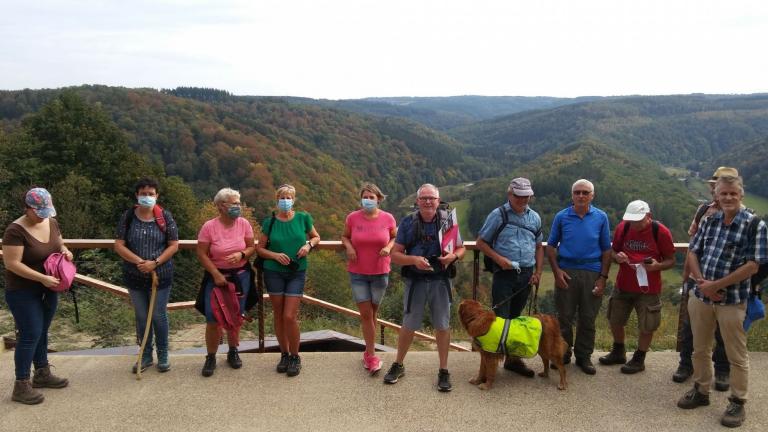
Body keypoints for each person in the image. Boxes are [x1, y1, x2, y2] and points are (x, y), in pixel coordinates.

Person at [677, 175, 767, 428]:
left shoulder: (754, 224)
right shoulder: (710, 220)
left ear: (741, 195)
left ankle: (738, 402)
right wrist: (701, 282)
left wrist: (715, 287)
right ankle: (701, 390)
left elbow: (753, 265)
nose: (727, 198)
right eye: (723, 193)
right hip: (702, 296)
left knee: (736, 355)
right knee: (699, 348)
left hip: (733, 300)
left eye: (732, 194)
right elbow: (694, 251)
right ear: (716, 195)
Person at [383, 184, 465, 392]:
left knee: (442, 325)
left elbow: (461, 248)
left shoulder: (447, 220)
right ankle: (398, 364)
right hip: (416, 280)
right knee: (409, 324)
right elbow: (395, 254)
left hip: (441, 279)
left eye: (432, 198)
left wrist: (453, 256)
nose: (428, 202)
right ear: (417, 201)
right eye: (424, 198)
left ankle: (444, 370)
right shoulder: (408, 222)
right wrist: (414, 260)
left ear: (439, 201)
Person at [3, 188, 71, 404]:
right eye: (39, 211)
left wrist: (66, 251)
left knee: (42, 331)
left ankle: (42, 373)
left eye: (46, 211)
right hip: (23, 290)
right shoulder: (15, 230)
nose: (44, 215)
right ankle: (21, 385)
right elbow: (12, 264)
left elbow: (59, 242)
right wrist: (41, 278)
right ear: (28, 208)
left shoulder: (51, 221)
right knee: (30, 334)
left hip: (50, 286)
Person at [673, 167, 739, 388]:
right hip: (697, 279)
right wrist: (689, 275)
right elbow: (693, 244)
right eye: (714, 185)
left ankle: (722, 371)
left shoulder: (745, 217)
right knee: (690, 327)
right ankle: (686, 364)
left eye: (719, 185)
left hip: (728, 284)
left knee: (723, 332)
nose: (715, 189)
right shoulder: (703, 210)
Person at [475, 177, 543, 377]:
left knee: (516, 319)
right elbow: (481, 242)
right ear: (509, 194)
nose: (522, 200)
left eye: (526, 196)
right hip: (504, 274)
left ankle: (512, 361)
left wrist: (538, 272)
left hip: (526, 274)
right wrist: (500, 259)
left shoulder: (535, 218)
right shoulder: (498, 215)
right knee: (500, 320)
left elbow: (539, 246)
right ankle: (492, 363)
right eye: (518, 195)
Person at [598, 200, 676, 373]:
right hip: (623, 284)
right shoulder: (623, 228)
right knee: (615, 319)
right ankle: (619, 351)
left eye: (638, 221)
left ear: (648, 217)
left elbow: (671, 260)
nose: (634, 224)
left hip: (649, 288)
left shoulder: (660, 231)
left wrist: (656, 266)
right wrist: (617, 257)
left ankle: (639, 359)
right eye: (631, 220)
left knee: (647, 324)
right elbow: (612, 251)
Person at [546, 179, 612, 375]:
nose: (581, 196)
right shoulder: (561, 217)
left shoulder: (601, 217)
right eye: (577, 192)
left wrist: (603, 278)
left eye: (585, 192)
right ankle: (563, 355)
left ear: (592, 195)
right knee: (564, 317)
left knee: (588, 318)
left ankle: (584, 357)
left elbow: (607, 250)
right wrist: (557, 272)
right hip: (566, 272)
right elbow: (550, 247)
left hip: (592, 272)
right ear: (572, 195)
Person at [114, 178, 179, 373]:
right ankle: (145, 354)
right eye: (143, 193)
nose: (147, 197)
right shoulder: (128, 217)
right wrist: (139, 262)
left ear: (157, 196)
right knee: (142, 317)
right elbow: (118, 244)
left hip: (161, 275)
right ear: (137, 195)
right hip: (134, 276)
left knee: (158, 315)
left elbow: (174, 245)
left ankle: (163, 353)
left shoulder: (165, 217)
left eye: (151, 194)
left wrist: (155, 263)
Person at [255, 184, 320, 377]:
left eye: (289, 197)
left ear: (294, 199)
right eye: (282, 197)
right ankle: (284, 354)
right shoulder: (270, 222)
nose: (285, 200)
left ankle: (295, 355)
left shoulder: (303, 218)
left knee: (289, 316)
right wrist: (275, 256)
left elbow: (316, 237)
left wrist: (308, 245)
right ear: (276, 200)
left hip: (296, 271)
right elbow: (260, 248)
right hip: (273, 271)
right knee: (278, 314)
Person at [196, 188, 256, 377]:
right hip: (217, 277)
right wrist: (215, 273)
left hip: (241, 276)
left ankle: (233, 351)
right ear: (221, 206)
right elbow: (201, 253)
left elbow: (251, 247)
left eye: (239, 203)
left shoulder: (244, 224)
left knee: (236, 316)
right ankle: (211, 356)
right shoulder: (209, 227)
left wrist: (242, 254)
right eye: (234, 203)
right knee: (213, 318)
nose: (238, 207)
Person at [341, 183, 397, 374]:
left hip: (380, 272)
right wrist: (348, 247)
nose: (368, 200)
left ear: (378, 199)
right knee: (366, 314)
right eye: (365, 196)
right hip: (357, 272)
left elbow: (394, 238)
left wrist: (389, 247)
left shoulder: (388, 218)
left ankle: (367, 351)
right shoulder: (352, 218)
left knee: (372, 314)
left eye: (371, 197)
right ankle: (372, 356)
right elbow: (345, 236)